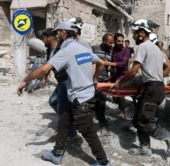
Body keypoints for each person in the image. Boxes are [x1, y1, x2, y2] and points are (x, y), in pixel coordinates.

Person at [17, 20, 110, 166]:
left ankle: (103, 162)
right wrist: (94, 78)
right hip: (83, 96)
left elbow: (43, 69)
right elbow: (100, 63)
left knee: (89, 132)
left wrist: (25, 80)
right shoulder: (83, 48)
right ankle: (57, 153)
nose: (57, 35)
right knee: (64, 122)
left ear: (64, 32)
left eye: (58, 33)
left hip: (81, 99)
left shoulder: (67, 50)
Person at [112, 19, 170, 157]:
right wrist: (157, 76)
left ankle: (169, 136)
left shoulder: (143, 46)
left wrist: (120, 83)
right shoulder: (155, 48)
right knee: (139, 118)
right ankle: (145, 148)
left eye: (135, 33)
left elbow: (133, 70)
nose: (134, 36)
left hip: (152, 89)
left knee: (140, 121)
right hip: (156, 87)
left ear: (142, 33)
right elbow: (168, 66)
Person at [40, 28, 79, 140]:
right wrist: (44, 78)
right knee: (53, 101)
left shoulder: (62, 48)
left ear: (49, 37)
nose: (43, 41)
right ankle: (70, 120)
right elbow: (49, 65)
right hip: (60, 81)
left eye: (43, 38)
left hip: (67, 80)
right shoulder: (49, 50)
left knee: (62, 108)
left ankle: (72, 133)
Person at [92, 33, 114, 136]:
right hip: (92, 80)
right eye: (110, 42)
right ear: (104, 40)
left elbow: (112, 65)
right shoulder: (94, 48)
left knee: (101, 103)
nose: (111, 45)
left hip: (104, 81)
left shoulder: (111, 51)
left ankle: (103, 124)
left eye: (112, 43)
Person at [105, 33, 130, 119]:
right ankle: (120, 105)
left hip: (122, 75)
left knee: (120, 93)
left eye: (122, 41)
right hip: (113, 74)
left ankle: (122, 111)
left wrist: (110, 63)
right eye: (118, 41)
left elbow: (123, 64)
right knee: (114, 96)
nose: (120, 43)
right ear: (115, 41)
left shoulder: (126, 50)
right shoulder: (112, 49)